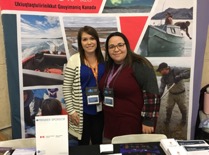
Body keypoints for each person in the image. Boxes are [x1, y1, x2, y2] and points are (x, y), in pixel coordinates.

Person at [99, 32, 160, 140]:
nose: (116, 49)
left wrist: (149, 121)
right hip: (111, 122)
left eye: (120, 45)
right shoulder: (109, 66)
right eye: (111, 47)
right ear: (107, 50)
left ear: (126, 46)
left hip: (133, 124)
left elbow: (152, 94)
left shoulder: (140, 64)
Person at [63, 26, 105, 145]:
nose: (89, 42)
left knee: (98, 142)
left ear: (97, 40)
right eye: (85, 39)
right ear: (80, 42)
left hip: (100, 110)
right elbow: (66, 87)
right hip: (81, 112)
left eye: (92, 38)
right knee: (83, 144)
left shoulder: (105, 58)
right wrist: (71, 111)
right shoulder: (74, 60)